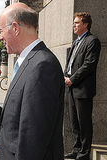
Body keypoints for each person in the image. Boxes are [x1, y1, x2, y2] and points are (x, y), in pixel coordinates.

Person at [0, 3, 65, 160]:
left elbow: (33, 137)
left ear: (15, 28)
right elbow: (14, 121)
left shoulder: (42, 66)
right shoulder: (29, 62)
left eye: (0, 30)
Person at [64, 12, 101, 160]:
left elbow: (89, 65)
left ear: (85, 24)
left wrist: (72, 79)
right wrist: (66, 75)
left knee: (84, 123)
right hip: (71, 88)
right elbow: (71, 63)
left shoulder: (93, 41)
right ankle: (76, 148)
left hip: (83, 89)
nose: (74, 25)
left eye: (77, 23)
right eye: (74, 22)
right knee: (74, 122)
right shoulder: (76, 41)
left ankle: (84, 153)